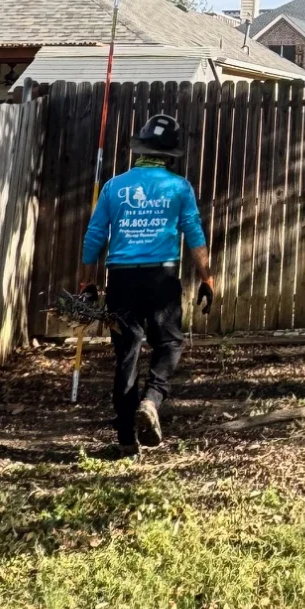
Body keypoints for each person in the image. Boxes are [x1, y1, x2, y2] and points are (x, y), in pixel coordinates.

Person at [80, 113, 215, 453]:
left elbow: (94, 235)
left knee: (126, 355)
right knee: (169, 344)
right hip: (161, 277)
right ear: (170, 154)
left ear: (140, 150)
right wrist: (206, 277)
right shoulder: (179, 187)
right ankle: (152, 399)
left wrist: (87, 282)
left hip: (121, 279)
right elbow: (194, 235)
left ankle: (126, 441)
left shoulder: (114, 187)